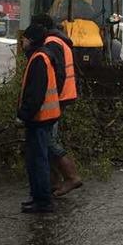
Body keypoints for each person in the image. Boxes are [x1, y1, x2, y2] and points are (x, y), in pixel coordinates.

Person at [32, 14, 83, 196]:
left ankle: (71, 176)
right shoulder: (61, 40)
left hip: (56, 98)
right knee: (48, 138)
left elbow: (57, 74)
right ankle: (53, 181)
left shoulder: (52, 43)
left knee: (48, 139)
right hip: (63, 96)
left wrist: (48, 97)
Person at [18, 23, 61, 213]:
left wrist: (23, 115)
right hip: (45, 116)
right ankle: (38, 197)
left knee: (38, 161)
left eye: (25, 38)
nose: (22, 41)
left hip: (40, 117)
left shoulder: (39, 59)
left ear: (32, 39)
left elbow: (35, 93)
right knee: (36, 159)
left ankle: (42, 201)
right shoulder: (42, 56)